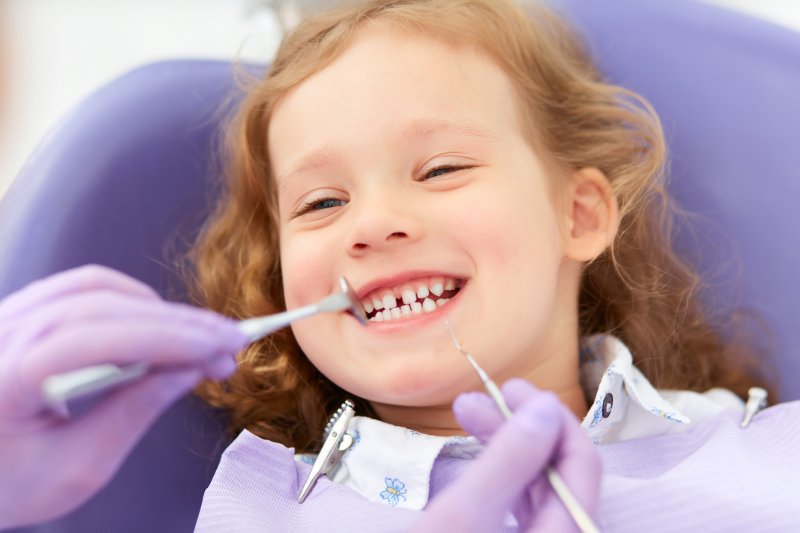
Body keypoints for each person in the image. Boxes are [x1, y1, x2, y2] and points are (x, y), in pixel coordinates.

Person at [1, 0, 797, 531]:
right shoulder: (263, 513)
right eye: (320, 204)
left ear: (579, 213)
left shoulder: (768, 455)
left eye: (441, 168)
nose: (373, 225)